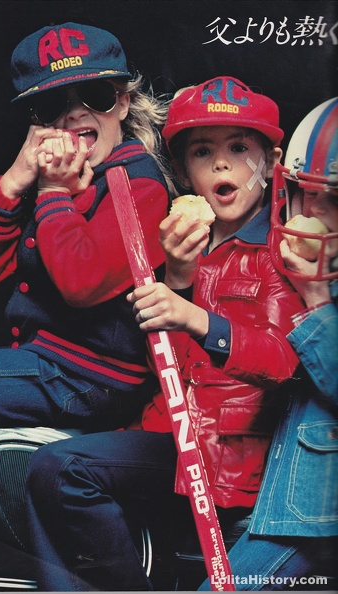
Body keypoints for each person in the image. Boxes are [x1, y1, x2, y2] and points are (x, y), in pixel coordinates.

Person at [25, 76, 305, 591]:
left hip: (235, 460)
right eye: (202, 152)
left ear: (270, 162)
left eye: (239, 148)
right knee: (52, 470)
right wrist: (177, 276)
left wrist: (193, 315)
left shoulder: (282, 249)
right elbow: (168, 369)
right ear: (181, 169)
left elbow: (283, 363)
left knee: (61, 469)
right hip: (171, 441)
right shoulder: (182, 241)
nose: (221, 165)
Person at [0, 22, 172, 453]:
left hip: (89, 381)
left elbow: (82, 284)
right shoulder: (57, 178)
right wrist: (15, 179)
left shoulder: (137, 183)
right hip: (46, 367)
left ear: (123, 103)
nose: (76, 114)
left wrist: (52, 194)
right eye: (53, 105)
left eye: (96, 96)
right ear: (37, 122)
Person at [199, 98, 338, 591]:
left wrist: (317, 300)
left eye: (333, 199)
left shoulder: (315, 285)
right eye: (304, 193)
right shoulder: (290, 264)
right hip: (277, 496)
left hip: (315, 513)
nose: (312, 212)